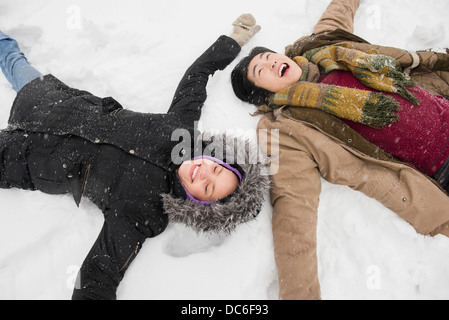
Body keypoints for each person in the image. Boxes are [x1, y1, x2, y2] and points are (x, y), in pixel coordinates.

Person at [0, 14, 269, 300]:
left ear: (200, 204)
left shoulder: (145, 213)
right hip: (48, 101)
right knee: (12, 59)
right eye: (215, 169)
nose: (203, 173)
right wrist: (234, 40)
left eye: (208, 187)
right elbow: (198, 74)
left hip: (20, 158)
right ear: (215, 157)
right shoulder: (181, 130)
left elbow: (99, 275)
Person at [230, 0, 449, 299]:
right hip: (441, 168)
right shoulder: (285, 128)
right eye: (261, 70)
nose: (270, 62)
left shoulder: (323, 47)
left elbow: (340, 9)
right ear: (263, 93)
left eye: (269, 56)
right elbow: (293, 208)